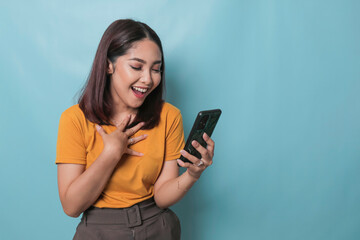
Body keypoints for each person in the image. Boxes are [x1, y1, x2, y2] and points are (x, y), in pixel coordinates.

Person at [56, 19, 215, 240]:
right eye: (136, 67)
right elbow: (71, 207)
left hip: (157, 226)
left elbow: (161, 196)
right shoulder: (74, 119)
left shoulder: (169, 116)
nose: (148, 79)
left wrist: (192, 174)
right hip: (99, 231)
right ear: (108, 65)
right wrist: (110, 153)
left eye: (156, 69)